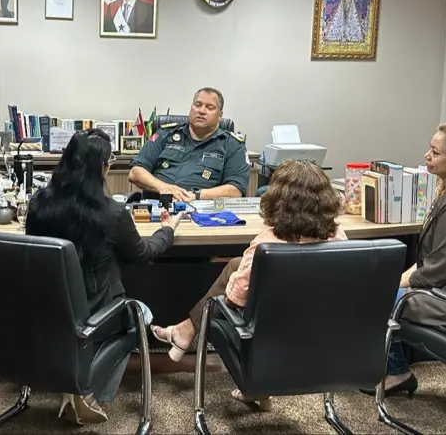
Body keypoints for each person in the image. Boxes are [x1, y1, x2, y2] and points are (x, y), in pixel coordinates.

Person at [150, 159, 347, 410]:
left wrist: (238, 275)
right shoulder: (339, 237)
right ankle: (184, 331)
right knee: (235, 264)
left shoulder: (267, 244)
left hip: (270, 334)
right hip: (323, 331)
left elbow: (235, 297)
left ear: (278, 199)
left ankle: (251, 383)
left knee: (215, 309)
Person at [25, 128, 182, 425]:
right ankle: (85, 388)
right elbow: (143, 254)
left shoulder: (39, 205)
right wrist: (168, 230)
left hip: (49, 312)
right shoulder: (113, 213)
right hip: (96, 314)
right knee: (141, 317)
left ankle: (75, 381)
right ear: (103, 167)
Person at [361, 123, 446, 398]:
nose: (427, 156)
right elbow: (430, 261)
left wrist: (392, 286)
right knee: (382, 291)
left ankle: (397, 372)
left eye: (435, 152)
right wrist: (396, 281)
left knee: (378, 300)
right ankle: (386, 367)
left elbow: (435, 272)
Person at [128, 87, 250, 202]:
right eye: (198, 105)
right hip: (157, 206)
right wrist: (165, 188)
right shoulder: (165, 134)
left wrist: (196, 195)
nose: (201, 111)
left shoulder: (232, 145)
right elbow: (135, 172)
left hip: (204, 211)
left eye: (209, 107)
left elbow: (236, 189)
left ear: (220, 115)